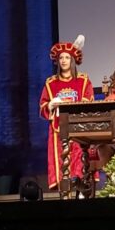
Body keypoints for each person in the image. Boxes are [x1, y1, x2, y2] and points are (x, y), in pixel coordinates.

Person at [39, 35, 94, 191]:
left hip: (78, 128)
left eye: (67, 57)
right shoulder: (51, 83)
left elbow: (89, 102)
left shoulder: (83, 81)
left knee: (78, 160)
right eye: (61, 57)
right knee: (61, 163)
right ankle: (64, 192)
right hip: (58, 129)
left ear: (72, 60)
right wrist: (50, 104)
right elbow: (42, 106)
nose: (64, 60)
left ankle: (80, 190)